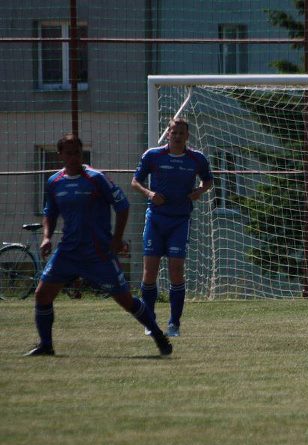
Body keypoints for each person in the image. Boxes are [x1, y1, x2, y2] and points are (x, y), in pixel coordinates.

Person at [25, 133, 172, 357]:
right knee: (42, 294)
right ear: (60, 155)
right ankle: (46, 345)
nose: (74, 157)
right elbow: (50, 213)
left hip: (98, 253)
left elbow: (122, 206)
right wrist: (46, 237)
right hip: (68, 251)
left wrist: (116, 239)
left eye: (77, 152)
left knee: (125, 300)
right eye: (69, 153)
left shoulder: (96, 178)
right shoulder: (54, 182)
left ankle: (159, 335)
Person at [131, 118, 213, 337]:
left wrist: (199, 192)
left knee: (176, 271)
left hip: (180, 221)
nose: (177, 136)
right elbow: (135, 181)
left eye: (181, 133)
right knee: (150, 272)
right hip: (156, 219)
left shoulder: (196, 159)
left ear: (187, 136)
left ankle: (174, 324)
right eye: (173, 132)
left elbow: (208, 181)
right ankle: (149, 321)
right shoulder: (153, 156)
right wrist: (149, 194)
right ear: (168, 134)